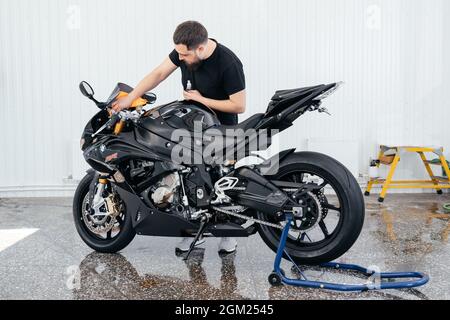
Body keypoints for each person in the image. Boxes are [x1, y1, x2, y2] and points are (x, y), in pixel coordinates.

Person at [112, 21, 247, 254]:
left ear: (201, 49)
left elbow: (239, 105)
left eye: (184, 54)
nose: (180, 58)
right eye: (178, 53)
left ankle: (228, 235)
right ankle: (193, 233)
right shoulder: (184, 51)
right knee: (188, 182)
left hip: (223, 130)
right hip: (191, 126)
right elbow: (159, 73)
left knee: (221, 186)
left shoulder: (229, 63)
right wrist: (131, 97)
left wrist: (202, 100)